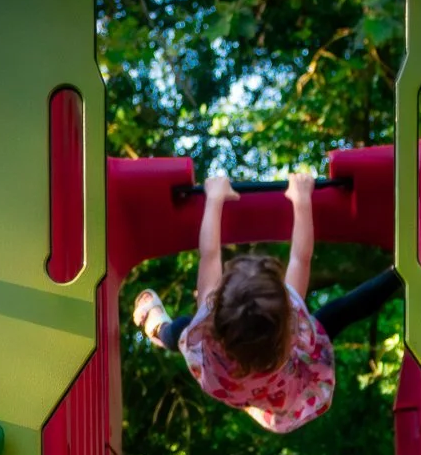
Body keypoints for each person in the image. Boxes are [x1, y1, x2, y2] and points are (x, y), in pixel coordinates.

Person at [132, 173, 402, 434]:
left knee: (180, 331)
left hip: (234, 381)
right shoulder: (292, 324)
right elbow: (299, 259)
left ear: (218, 302)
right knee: (337, 314)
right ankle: (401, 273)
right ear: (288, 316)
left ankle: (158, 327)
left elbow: (210, 255)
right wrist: (302, 198)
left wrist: (214, 198)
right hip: (273, 384)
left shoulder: (207, 324)